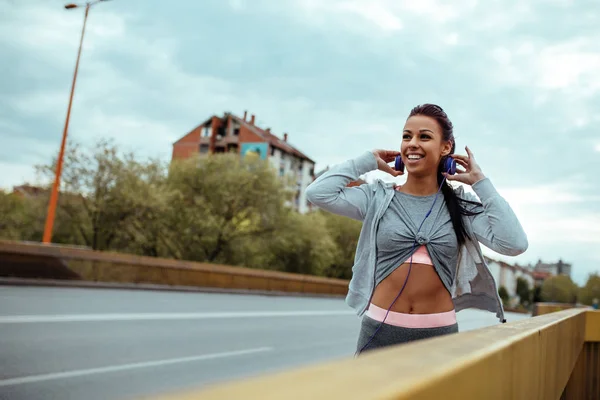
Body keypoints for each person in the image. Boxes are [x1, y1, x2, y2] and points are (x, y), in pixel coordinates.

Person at [305, 104, 528, 355]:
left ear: (446, 147)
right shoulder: (378, 197)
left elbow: (514, 243)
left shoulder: (460, 206)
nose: (412, 143)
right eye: (406, 136)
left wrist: (480, 183)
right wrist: (366, 161)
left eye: (424, 136)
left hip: (438, 338)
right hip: (379, 331)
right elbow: (317, 193)